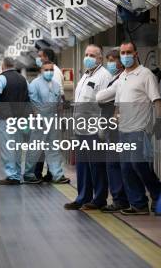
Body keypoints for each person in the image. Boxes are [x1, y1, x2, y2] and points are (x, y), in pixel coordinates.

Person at [114, 41, 161, 215]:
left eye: (129, 52)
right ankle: (139, 204)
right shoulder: (121, 77)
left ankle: (158, 194)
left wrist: (159, 123)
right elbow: (118, 106)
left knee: (139, 164)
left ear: (136, 53)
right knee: (126, 168)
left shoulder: (145, 74)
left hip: (139, 130)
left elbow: (157, 101)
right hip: (123, 130)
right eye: (123, 52)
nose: (126, 55)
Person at [64, 44, 112, 211]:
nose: (88, 58)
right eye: (86, 54)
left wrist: (102, 127)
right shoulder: (85, 76)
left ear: (100, 58)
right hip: (80, 129)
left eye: (92, 55)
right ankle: (82, 197)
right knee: (83, 166)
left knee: (96, 166)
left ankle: (99, 199)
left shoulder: (104, 76)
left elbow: (107, 103)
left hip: (94, 130)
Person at [0, 57, 32, 185]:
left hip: (5, 117)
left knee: (8, 146)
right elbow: (31, 96)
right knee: (17, 146)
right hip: (21, 117)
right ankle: (17, 174)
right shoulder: (23, 79)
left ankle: (12, 175)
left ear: (3, 66)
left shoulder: (2, 78)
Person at [95, 49, 129, 212]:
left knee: (114, 164)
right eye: (108, 59)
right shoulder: (116, 78)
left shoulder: (121, 79)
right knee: (114, 164)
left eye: (112, 59)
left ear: (120, 61)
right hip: (112, 126)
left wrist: (101, 95)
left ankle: (120, 199)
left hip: (117, 127)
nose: (110, 63)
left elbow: (100, 97)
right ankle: (121, 198)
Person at [28, 61, 70, 184]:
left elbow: (59, 104)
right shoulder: (35, 84)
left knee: (54, 149)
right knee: (35, 149)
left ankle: (58, 175)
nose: (49, 72)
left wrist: (61, 119)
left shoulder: (56, 85)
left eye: (51, 69)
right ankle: (29, 174)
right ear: (41, 71)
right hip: (40, 121)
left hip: (53, 121)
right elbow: (32, 102)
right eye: (46, 70)